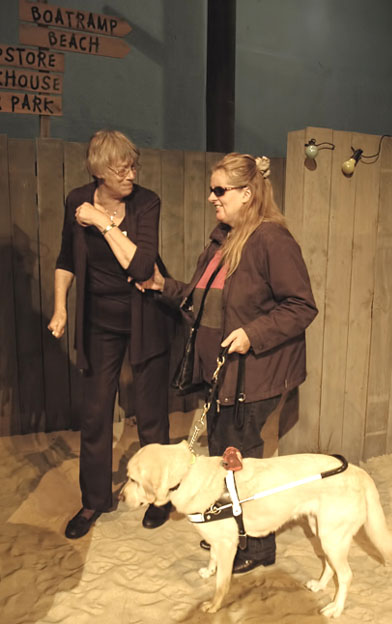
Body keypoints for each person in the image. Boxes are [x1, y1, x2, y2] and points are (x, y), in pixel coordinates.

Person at [137, 152, 318, 573]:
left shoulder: (272, 240)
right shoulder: (223, 238)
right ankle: (232, 535)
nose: (211, 197)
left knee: (242, 462)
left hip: (251, 378)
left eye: (220, 190)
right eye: (212, 188)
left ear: (247, 193)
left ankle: (257, 546)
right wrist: (165, 286)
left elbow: (301, 306)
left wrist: (254, 334)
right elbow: (207, 304)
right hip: (220, 377)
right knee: (223, 458)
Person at [48, 130, 174, 539]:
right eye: (123, 169)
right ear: (101, 171)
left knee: (152, 415)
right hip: (98, 323)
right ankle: (94, 500)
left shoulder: (146, 203)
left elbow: (141, 267)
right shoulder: (75, 200)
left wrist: (101, 221)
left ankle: (160, 496)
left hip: (145, 318)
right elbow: (66, 258)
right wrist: (61, 307)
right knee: (95, 414)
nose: (132, 175)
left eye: (134, 166)